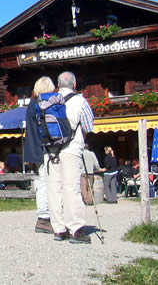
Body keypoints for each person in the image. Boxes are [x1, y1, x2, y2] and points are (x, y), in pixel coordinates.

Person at [45, 71, 95, 244]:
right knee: (71, 188)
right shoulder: (80, 101)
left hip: (50, 151)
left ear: (57, 86)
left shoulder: (47, 101)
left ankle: (59, 229)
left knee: (54, 189)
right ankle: (75, 229)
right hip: (71, 149)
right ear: (74, 85)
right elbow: (88, 127)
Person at [24, 75, 56, 235]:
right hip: (51, 149)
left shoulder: (32, 105)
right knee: (50, 183)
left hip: (36, 150)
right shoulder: (51, 104)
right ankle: (46, 218)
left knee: (42, 183)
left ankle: (44, 218)